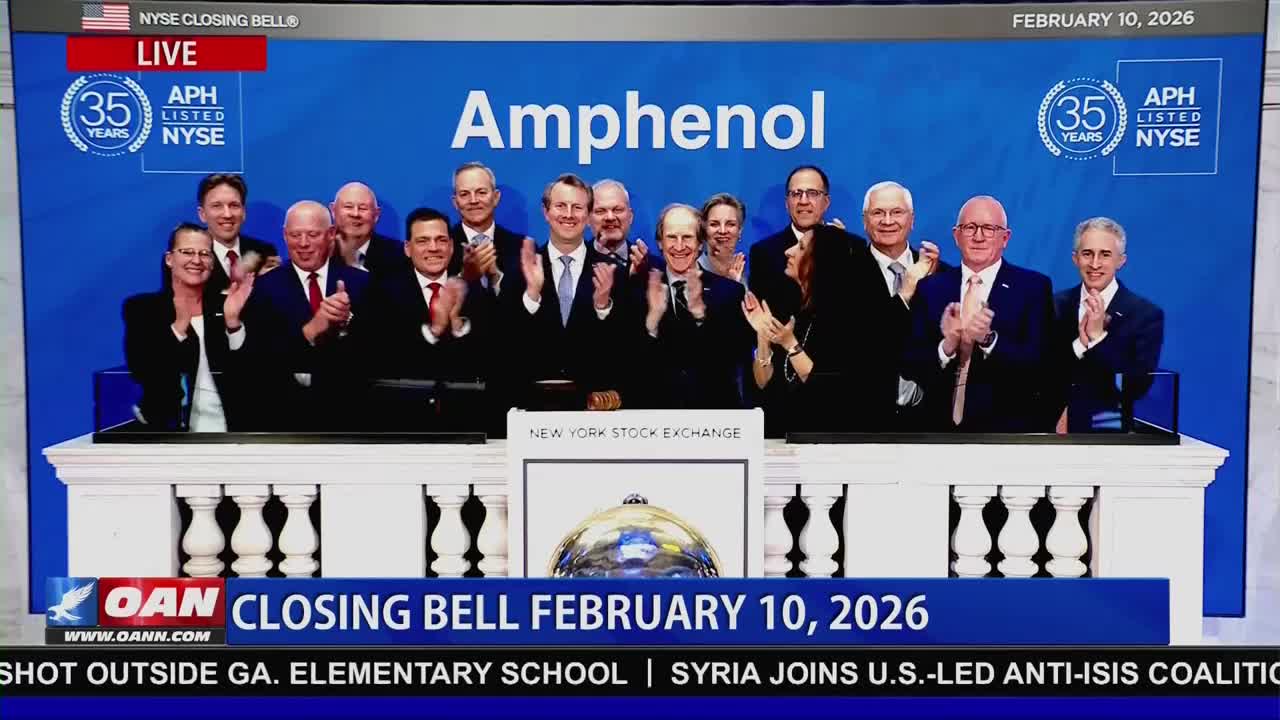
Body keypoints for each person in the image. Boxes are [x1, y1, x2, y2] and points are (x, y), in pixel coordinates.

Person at [904, 196, 1054, 432]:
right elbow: (911, 364)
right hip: (935, 431)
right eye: (970, 228)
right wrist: (947, 347)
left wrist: (989, 340)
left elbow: (1041, 365)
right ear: (956, 235)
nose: (978, 236)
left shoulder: (1033, 288)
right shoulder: (931, 288)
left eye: (989, 229)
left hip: (1005, 431)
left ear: (1005, 238)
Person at [233, 201, 369, 430]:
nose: (303, 244)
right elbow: (258, 362)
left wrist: (346, 322)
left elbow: (377, 352)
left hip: (350, 418)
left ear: (331, 234)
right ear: (285, 236)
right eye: (295, 235)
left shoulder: (362, 284)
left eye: (313, 235)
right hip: (284, 419)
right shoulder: (265, 289)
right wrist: (310, 330)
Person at [743, 224, 889, 435]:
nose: (788, 251)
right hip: (782, 436)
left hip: (827, 441)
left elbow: (828, 391)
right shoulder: (790, 307)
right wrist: (763, 337)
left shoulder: (847, 320)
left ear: (819, 261)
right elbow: (763, 382)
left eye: (800, 247)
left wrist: (790, 345)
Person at [503, 173, 626, 407]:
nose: (569, 215)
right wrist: (532, 297)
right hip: (532, 410)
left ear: (589, 215)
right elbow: (505, 343)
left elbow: (624, 351)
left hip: (593, 416)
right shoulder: (519, 269)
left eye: (577, 207)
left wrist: (602, 308)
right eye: (561, 206)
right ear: (546, 212)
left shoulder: (614, 273)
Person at [124, 223, 255, 431]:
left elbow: (252, 374)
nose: (196, 260)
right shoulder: (143, 309)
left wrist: (233, 324)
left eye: (205, 254)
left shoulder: (231, 304)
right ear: (169, 259)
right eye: (187, 252)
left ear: (212, 263)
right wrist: (178, 329)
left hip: (234, 433)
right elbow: (143, 371)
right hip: (170, 433)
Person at [1051, 217, 1164, 432]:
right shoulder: (1053, 305)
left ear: (1121, 260)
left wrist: (1097, 339)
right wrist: (1079, 347)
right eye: (1087, 254)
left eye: (1105, 254)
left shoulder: (1144, 315)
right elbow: (1041, 369)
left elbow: (1137, 386)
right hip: (1050, 432)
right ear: (1075, 258)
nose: (1094, 264)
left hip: (1109, 433)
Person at [633, 204, 752, 409]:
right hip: (656, 420)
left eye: (687, 237)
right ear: (660, 243)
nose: (679, 246)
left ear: (700, 243)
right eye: (671, 237)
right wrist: (652, 323)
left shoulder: (729, 293)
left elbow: (734, 361)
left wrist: (700, 318)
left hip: (714, 420)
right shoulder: (637, 290)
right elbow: (630, 365)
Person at [858, 181, 947, 430]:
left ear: (912, 219)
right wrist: (906, 292)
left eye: (897, 212)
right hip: (864, 421)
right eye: (878, 213)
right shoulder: (843, 273)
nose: (888, 221)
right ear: (865, 220)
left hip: (933, 421)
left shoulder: (942, 275)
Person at [748, 165, 833, 324]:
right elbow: (762, 316)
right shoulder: (764, 253)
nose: (803, 201)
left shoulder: (849, 249)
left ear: (826, 202)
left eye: (812, 193)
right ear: (787, 203)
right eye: (796, 194)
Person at [181, 174, 278, 294]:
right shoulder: (186, 257)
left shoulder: (263, 252)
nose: (227, 214)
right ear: (202, 214)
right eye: (217, 206)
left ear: (244, 212)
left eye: (234, 205)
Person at [448, 162, 523, 295]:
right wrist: (465, 277)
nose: (473, 200)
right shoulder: (442, 246)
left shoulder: (521, 248)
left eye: (481, 192)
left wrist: (496, 278)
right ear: (455, 202)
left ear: (495, 197)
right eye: (464, 194)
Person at [330, 181, 405, 278]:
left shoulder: (399, 255)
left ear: (376, 215)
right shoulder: (318, 252)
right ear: (333, 210)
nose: (355, 214)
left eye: (363, 208)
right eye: (348, 207)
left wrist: (354, 266)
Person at [590, 179, 655, 277]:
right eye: (600, 211)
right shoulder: (574, 265)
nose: (610, 217)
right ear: (587, 219)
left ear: (630, 217)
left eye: (617, 210)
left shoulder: (654, 268)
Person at [699, 193, 747, 284]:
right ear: (704, 229)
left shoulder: (746, 272)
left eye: (730, 224)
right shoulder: (692, 271)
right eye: (714, 224)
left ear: (739, 230)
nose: (722, 231)